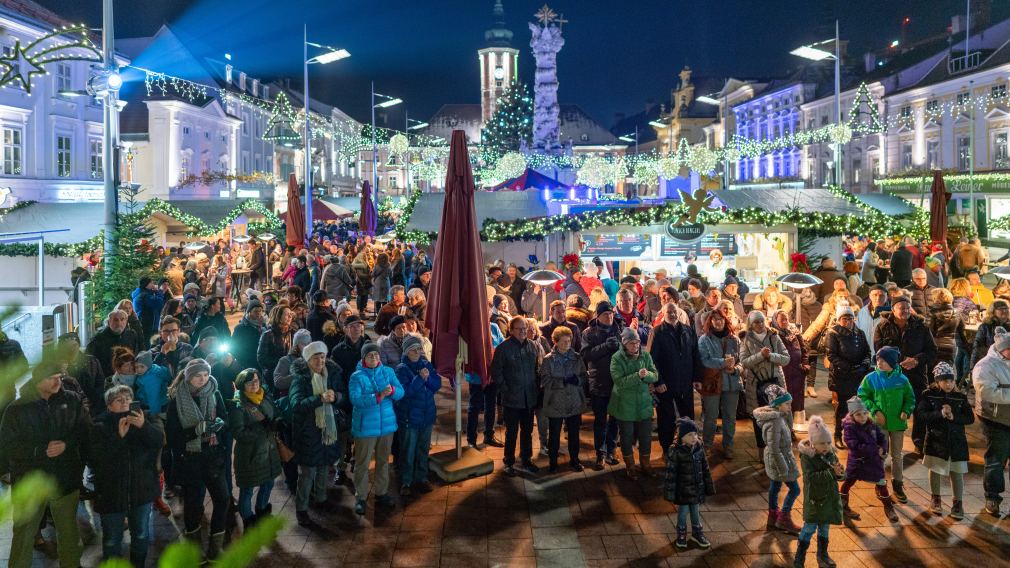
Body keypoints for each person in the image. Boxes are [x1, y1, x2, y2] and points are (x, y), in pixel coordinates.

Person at [1, 361, 89, 568]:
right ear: (38, 380)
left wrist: (66, 446)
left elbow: (85, 432)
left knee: (68, 532)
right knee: (23, 536)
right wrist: (39, 450)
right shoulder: (17, 409)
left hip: (64, 479)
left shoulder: (72, 400)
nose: (58, 381)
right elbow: (6, 447)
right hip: (30, 482)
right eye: (52, 378)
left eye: (59, 377)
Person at [164, 358, 230, 560]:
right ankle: (194, 550)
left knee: (223, 498)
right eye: (197, 376)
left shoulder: (214, 392)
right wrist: (195, 431)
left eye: (205, 375)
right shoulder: (177, 400)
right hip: (190, 459)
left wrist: (219, 425)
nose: (202, 379)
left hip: (212, 455)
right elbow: (173, 437)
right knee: (194, 504)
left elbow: (225, 419)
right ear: (188, 377)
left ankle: (215, 548)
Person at [91, 385, 163, 566]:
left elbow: (159, 441)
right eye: (119, 400)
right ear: (109, 406)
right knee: (112, 539)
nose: (125, 403)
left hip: (142, 491)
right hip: (111, 494)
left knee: (141, 534)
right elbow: (95, 459)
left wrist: (143, 426)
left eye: (128, 399)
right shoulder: (99, 425)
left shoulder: (145, 418)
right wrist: (118, 437)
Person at [288, 341, 345, 525]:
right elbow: (296, 405)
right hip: (308, 432)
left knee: (323, 467)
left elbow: (343, 395)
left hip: (327, 429)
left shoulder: (332, 374)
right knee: (307, 473)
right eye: (316, 357)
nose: (320, 360)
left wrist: (336, 397)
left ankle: (321, 499)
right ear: (307, 360)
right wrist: (319, 399)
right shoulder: (301, 379)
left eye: (322, 356)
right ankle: (302, 509)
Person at [873, 296, 936, 454]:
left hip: (916, 374)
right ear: (893, 309)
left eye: (908, 307)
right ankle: (886, 442)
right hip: (892, 374)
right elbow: (879, 349)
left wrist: (916, 360)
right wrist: (900, 360)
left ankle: (919, 441)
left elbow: (932, 350)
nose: (905, 311)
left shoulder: (921, 327)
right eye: (901, 308)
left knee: (919, 406)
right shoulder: (882, 326)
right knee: (890, 406)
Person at [349, 342, 404, 515]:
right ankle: (361, 497)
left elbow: (401, 392)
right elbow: (356, 399)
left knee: (383, 461)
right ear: (364, 358)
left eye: (377, 355)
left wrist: (393, 390)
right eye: (370, 355)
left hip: (386, 426)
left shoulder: (388, 372)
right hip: (365, 427)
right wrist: (378, 396)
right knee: (362, 463)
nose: (374, 358)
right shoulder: (356, 376)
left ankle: (381, 492)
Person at [857, 346, 916, 506]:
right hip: (879, 424)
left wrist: (906, 411)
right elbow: (862, 395)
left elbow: (910, 398)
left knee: (897, 456)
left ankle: (898, 484)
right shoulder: (871, 378)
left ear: (891, 362)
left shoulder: (902, 380)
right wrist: (874, 410)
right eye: (878, 360)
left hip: (897, 424)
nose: (879, 363)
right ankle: (880, 482)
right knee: (881, 453)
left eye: (883, 360)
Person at [914, 362, 973, 520]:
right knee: (935, 469)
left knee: (957, 472)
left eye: (951, 380)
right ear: (937, 381)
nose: (949, 384)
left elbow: (969, 418)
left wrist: (954, 417)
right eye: (945, 380)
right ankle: (936, 499)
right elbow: (921, 415)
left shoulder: (960, 397)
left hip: (957, 441)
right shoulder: (929, 395)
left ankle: (958, 503)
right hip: (936, 440)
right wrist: (940, 414)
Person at [647, 302, 702, 452]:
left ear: (678, 313)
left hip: (684, 381)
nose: (672, 314)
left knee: (687, 415)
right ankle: (666, 449)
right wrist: (658, 381)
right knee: (666, 418)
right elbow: (652, 360)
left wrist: (697, 378)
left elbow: (695, 355)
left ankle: (687, 446)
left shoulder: (688, 330)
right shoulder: (657, 332)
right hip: (665, 383)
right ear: (663, 314)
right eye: (668, 312)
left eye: (674, 312)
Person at [491, 316, 541, 476]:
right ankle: (509, 461)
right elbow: (496, 372)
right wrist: (505, 389)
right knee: (511, 432)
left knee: (527, 431)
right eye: (519, 329)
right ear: (511, 330)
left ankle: (526, 459)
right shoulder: (503, 349)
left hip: (528, 398)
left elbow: (536, 368)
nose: (523, 332)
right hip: (512, 399)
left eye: (525, 329)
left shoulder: (532, 346)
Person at [609, 326, 658, 479]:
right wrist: (638, 376)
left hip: (643, 403)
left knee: (645, 436)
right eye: (631, 343)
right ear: (624, 344)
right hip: (625, 404)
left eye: (637, 342)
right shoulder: (617, 358)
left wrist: (646, 376)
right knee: (627, 436)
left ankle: (645, 464)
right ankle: (630, 466)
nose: (635, 346)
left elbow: (655, 375)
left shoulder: (645, 356)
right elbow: (619, 381)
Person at [794, 415, 844, 568]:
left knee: (825, 527)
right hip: (815, 499)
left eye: (828, 442)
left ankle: (823, 554)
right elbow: (811, 478)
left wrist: (841, 473)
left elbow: (840, 472)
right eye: (822, 443)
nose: (826, 446)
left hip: (828, 498)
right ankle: (799, 557)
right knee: (809, 528)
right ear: (813, 443)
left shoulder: (830, 454)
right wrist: (832, 473)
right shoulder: (807, 457)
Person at [971, 327, 1010, 517]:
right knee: (996, 460)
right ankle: (992, 497)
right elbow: (987, 392)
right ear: (1001, 349)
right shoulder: (985, 366)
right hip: (995, 419)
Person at [394, 336, 440, 495]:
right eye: (413, 349)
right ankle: (406, 481)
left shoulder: (426, 364)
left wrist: (426, 378)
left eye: (419, 349)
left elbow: (436, 385)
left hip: (426, 415)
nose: (417, 352)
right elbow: (404, 393)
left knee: (423, 448)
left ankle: (421, 477)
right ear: (406, 351)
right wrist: (420, 379)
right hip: (410, 418)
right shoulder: (401, 369)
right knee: (408, 450)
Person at [753, 384, 801, 535]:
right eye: (787, 403)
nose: (789, 406)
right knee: (795, 489)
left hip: (779, 458)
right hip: (780, 460)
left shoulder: (780, 417)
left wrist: (788, 414)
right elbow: (774, 448)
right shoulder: (775, 422)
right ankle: (784, 519)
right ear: (777, 405)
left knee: (775, 486)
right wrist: (783, 468)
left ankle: (773, 516)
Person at [581, 301, 623, 469]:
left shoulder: (619, 329)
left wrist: (620, 345)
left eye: (611, 313)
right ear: (598, 316)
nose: (610, 316)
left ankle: (611, 451)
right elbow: (586, 355)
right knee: (600, 420)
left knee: (615, 419)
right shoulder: (589, 333)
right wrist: (606, 346)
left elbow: (629, 350)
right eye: (606, 314)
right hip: (599, 381)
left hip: (617, 382)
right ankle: (600, 453)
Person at [839, 395, 895, 522]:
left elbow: (882, 438)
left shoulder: (872, 424)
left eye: (865, 413)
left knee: (881, 482)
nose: (863, 417)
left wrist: (883, 447)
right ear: (852, 415)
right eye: (858, 414)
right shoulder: (850, 428)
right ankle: (842, 504)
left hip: (873, 461)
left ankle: (888, 506)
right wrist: (875, 448)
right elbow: (854, 445)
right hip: (858, 462)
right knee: (849, 481)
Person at [740, 311, 790, 450]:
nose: (760, 324)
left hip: (776, 381)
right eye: (756, 322)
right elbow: (744, 362)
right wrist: (760, 355)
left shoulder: (774, 336)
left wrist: (771, 356)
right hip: (756, 384)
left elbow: (786, 358)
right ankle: (762, 451)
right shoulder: (746, 339)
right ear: (750, 324)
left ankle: (779, 448)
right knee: (759, 417)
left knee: (780, 415)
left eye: (762, 321)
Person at [539, 326, 587, 472]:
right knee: (554, 435)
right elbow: (545, 380)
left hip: (573, 401)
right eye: (564, 341)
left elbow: (584, 376)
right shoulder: (548, 360)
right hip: (556, 402)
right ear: (556, 342)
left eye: (569, 341)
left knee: (574, 434)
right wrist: (562, 381)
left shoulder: (577, 357)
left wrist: (577, 380)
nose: (567, 344)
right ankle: (553, 463)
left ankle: (575, 460)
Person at [663, 417, 714, 551]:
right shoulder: (676, 451)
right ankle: (681, 534)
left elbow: (705, 468)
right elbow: (671, 473)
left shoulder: (699, 447)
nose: (694, 437)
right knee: (683, 511)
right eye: (690, 435)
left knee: (695, 511)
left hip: (696, 488)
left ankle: (697, 533)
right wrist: (670, 492)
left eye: (695, 434)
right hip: (683, 490)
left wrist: (708, 485)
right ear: (681, 437)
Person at [698, 309, 743, 459]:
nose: (718, 321)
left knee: (730, 416)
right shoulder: (704, 339)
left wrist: (736, 369)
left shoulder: (734, 340)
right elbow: (704, 360)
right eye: (715, 319)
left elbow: (742, 361)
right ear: (710, 321)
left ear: (726, 321)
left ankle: (728, 445)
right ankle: (707, 445)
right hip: (713, 383)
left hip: (732, 383)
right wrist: (723, 363)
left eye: (721, 319)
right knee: (711, 416)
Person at [825, 306, 872, 448]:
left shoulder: (860, 333)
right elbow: (831, 354)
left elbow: (867, 352)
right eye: (845, 318)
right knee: (843, 407)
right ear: (839, 320)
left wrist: (864, 365)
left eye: (850, 318)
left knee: (858, 407)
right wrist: (849, 367)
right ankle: (838, 434)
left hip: (859, 376)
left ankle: (854, 435)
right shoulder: (833, 333)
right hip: (842, 376)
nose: (848, 321)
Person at [771, 311, 808, 426]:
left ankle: (794, 424)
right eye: (782, 319)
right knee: (784, 398)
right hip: (783, 372)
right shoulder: (772, 334)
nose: (785, 322)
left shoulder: (794, 332)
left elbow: (803, 348)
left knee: (797, 398)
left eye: (786, 319)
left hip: (797, 371)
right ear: (775, 320)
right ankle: (784, 425)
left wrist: (805, 362)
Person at [88, 309, 143, 377]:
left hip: (128, 377)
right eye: (115, 320)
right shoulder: (98, 338)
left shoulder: (132, 335)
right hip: (107, 378)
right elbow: (90, 360)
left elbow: (136, 355)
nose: (119, 323)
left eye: (122, 319)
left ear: (126, 321)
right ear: (108, 322)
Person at [927, 288, 967, 369]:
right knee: (947, 373)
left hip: (935, 347)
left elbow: (929, 332)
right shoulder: (957, 313)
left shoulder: (932, 313)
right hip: (951, 347)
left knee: (933, 373)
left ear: (936, 299)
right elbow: (962, 332)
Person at [257, 306, 294, 393]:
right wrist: (282, 364)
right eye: (287, 314)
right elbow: (262, 359)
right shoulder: (268, 335)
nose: (290, 317)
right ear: (279, 317)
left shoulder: (291, 333)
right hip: (272, 376)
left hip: (288, 374)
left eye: (291, 314)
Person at [231, 300, 266, 371]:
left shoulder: (264, 327)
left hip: (262, 364)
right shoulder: (240, 328)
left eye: (260, 311)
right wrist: (244, 361)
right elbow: (234, 348)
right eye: (256, 311)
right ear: (249, 312)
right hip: (246, 365)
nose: (259, 313)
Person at [132, 276, 166, 341]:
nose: (153, 285)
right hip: (148, 324)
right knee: (149, 343)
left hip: (143, 322)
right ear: (147, 284)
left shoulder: (139, 293)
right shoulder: (145, 296)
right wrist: (158, 291)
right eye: (152, 283)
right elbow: (159, 302)